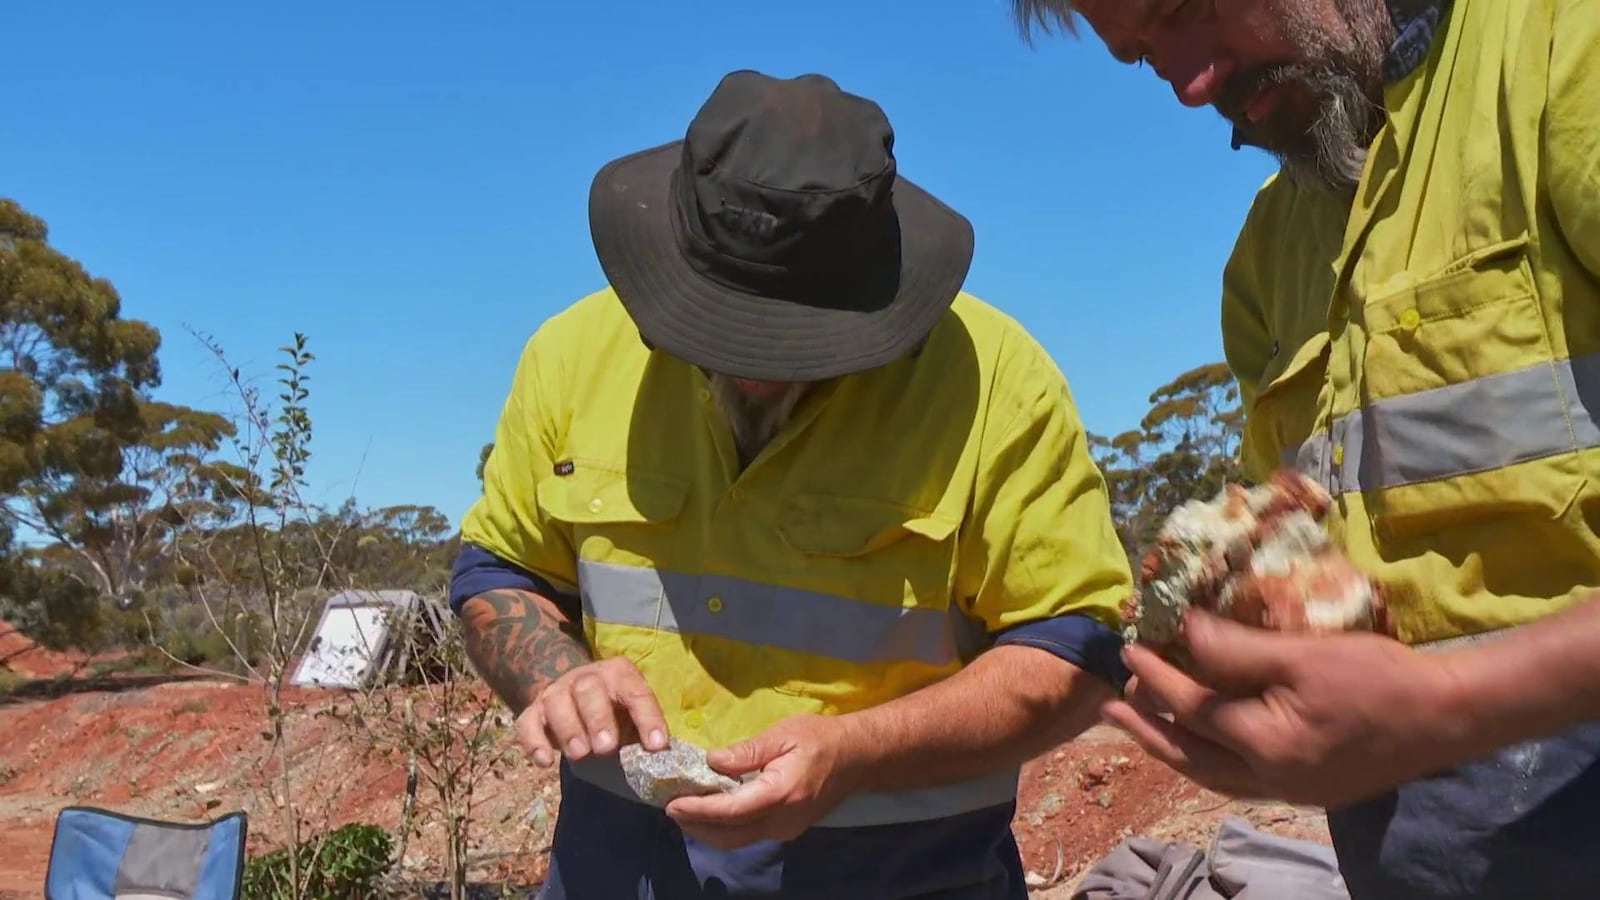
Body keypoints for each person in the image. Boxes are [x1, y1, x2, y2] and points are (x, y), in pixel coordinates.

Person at [448, 69, 1134, 899]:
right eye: (718, 329)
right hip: (616, 870)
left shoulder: (994, 384)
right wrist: (555, 674)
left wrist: (858, 755)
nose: (757, 370)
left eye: (796, 346)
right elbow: (499, 573)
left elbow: (1075, 651)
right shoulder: (572, 357)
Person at [1006, 0, 1600, 897]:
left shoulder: (1563, 54)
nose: (1190, 86)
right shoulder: (1267, 255)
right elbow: (1296, 562)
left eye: (1187, 10)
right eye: (1140, 57)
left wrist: (1454, 707)